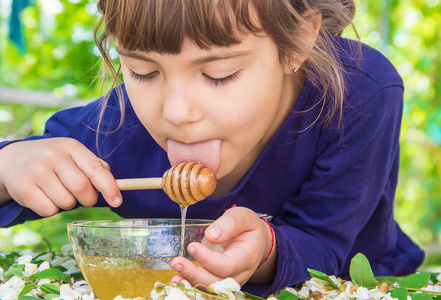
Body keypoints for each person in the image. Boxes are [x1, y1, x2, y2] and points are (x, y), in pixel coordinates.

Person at [0, 0, 424, 297]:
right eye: (143, 71)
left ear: (297, 42)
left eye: (219, 74)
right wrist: (10, 165)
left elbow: (326, 240)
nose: (177, 112)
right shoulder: (117, 128)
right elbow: (29, 168)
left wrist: (268, 251)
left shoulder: (358, 93)